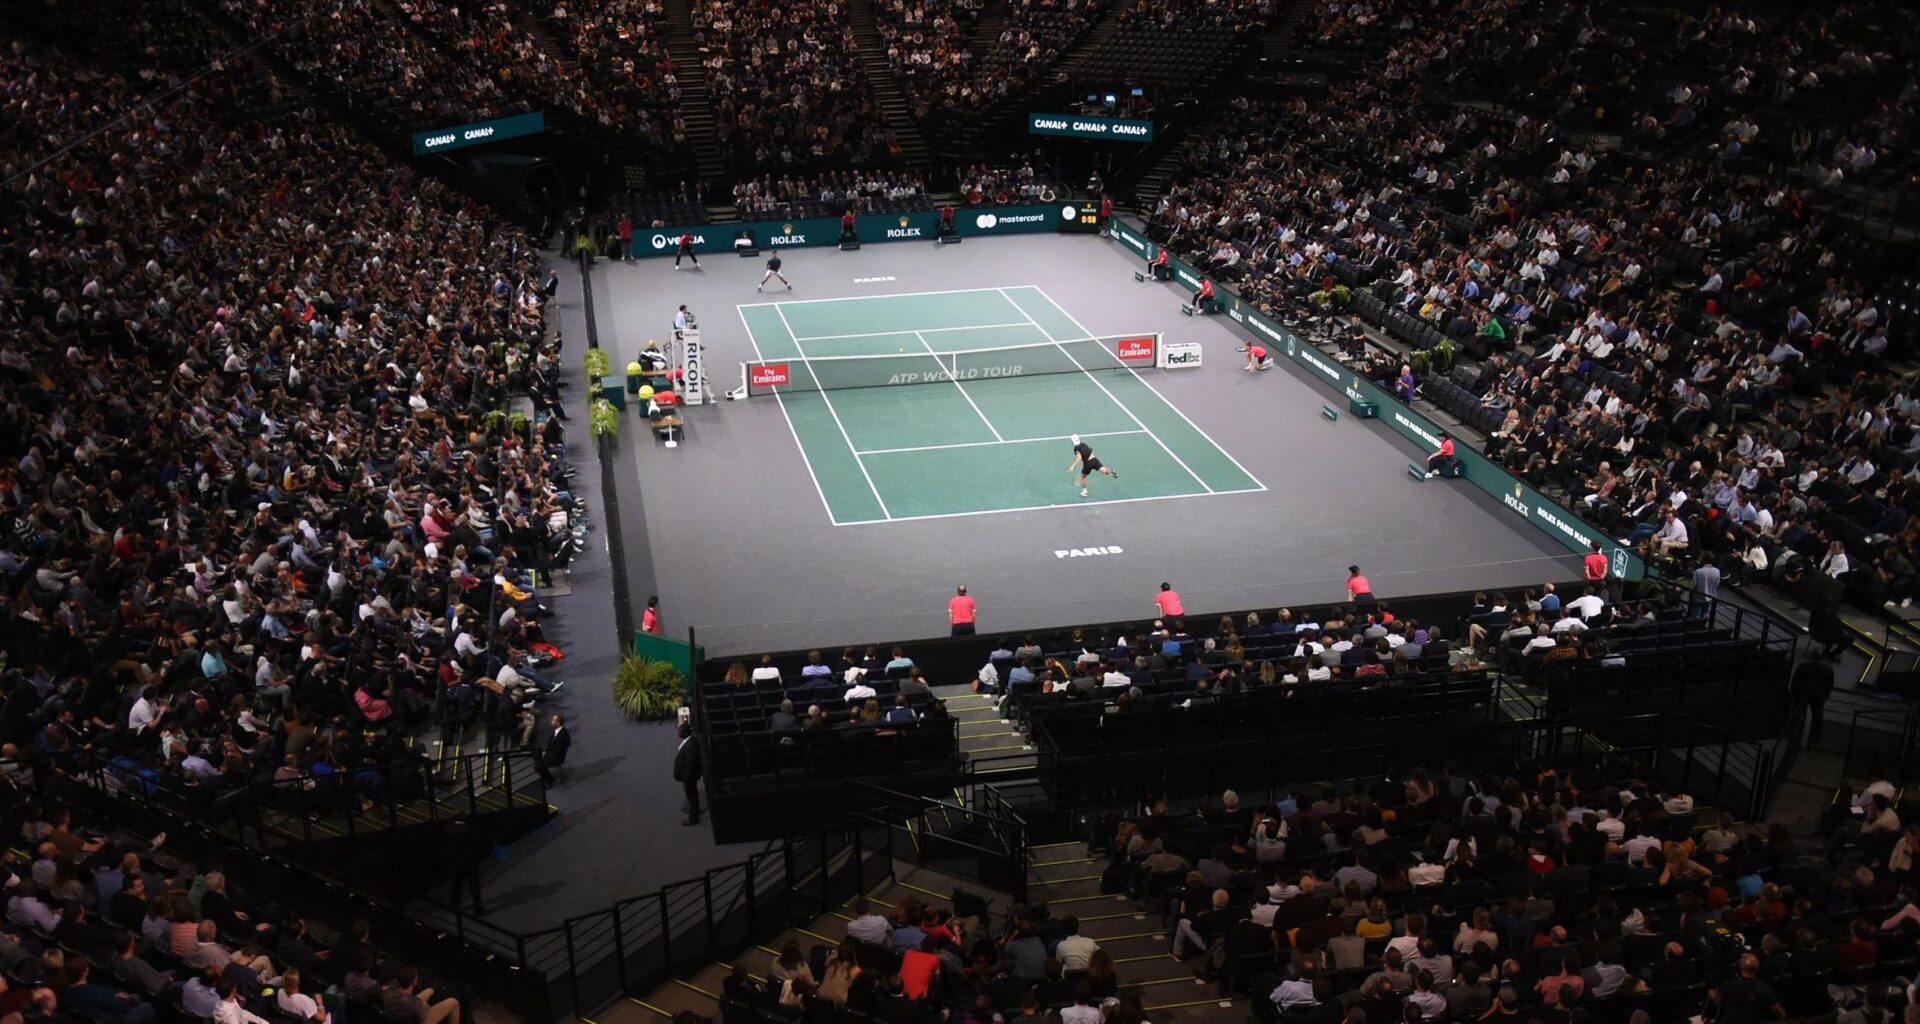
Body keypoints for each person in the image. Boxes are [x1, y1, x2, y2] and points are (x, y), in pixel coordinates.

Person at [445, 819, 486, 917]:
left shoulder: (449, 828)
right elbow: (475, 843)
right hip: (469, 862)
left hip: (456, 861)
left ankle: (454, 905)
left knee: (457, 884)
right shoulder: (467, 831)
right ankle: (478, 909)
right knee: (474, 886)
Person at [673, 722, 703, 825]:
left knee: (691, 794)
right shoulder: (689, 741)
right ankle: (694, 808)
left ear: (685, 733)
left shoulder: (691, 746)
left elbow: (690, 766)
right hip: (688, 776)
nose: (678, 733)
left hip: (689, 777)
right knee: (692, 794)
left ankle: (693, 818)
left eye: (679, 731)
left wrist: (686, 780)